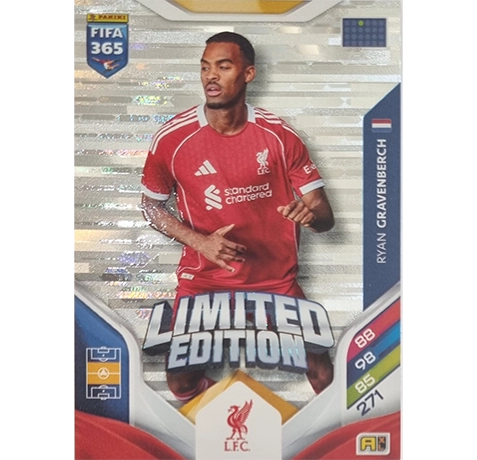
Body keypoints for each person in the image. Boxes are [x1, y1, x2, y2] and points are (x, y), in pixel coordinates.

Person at [140, 31, 335, 403]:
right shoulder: (172, 139)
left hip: (274, 281)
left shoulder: (279, 136)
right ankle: (231, 415)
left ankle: (335, 433)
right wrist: (199, 241)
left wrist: (310, 215)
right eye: (205, 67)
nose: (211, 76)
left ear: (248, 74)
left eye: (223, 66)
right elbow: (151, 206)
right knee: (180, 384)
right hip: (205, 282)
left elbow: (325, 216)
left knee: (321, 372)